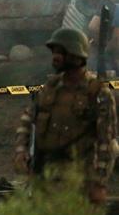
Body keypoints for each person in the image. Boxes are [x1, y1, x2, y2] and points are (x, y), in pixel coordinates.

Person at [13, 28, 117, 204]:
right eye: (54, 51)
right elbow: (27, 119)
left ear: (77, 55)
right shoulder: (50, 88)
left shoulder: (97, 93)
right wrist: (21, 150)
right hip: (44, 175)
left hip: (78, 177)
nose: (55, 56)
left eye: (62, 52)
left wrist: (99, 183)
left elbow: (107, 142)